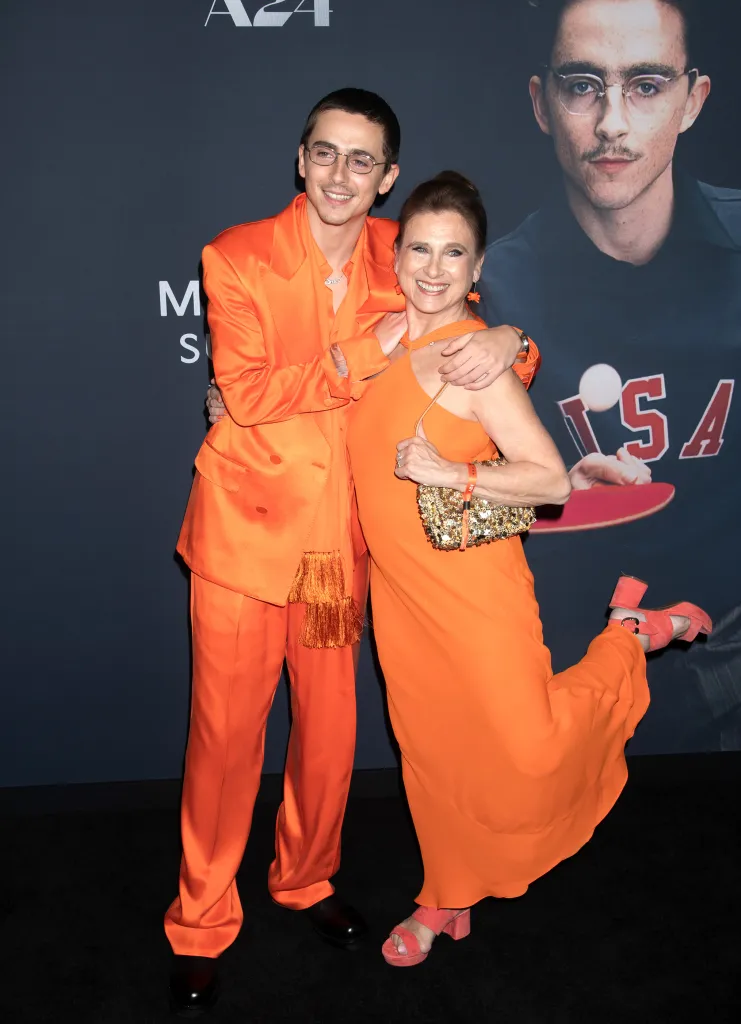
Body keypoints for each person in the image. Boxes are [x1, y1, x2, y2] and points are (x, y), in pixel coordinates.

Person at [168, 88, 536, 1014]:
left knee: (329, 738)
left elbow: (478, 347)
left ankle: (304, 879)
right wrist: (362, 353)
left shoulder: (399, 250)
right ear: (300, 159)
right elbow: (246, 395)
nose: (341, 175)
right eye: (325, 154)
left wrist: (504, 337)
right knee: (225, 742)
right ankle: (203, 919)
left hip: (339, 548)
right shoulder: (237, 255)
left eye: (361, 161)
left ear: (388, 177)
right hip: (244, 542)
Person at [344, 170, 711, 965]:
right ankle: (444, 899)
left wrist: (452, 473)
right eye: (419, 248)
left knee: (529, 748)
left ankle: (626, 638)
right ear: (395, 253)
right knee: (436, 759)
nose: (433, 267)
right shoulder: (373, 346)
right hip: (400, 595)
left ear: (477, 270)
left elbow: (546, 477)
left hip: (475, 588)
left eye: (454, 253)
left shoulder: (476, 362)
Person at [478, 0, 741, 752]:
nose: (612, 124)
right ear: (541, 102)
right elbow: (438, 514)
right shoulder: (488, 291)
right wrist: (545, 502)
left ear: (692, 100)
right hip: (562, 681)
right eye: (583, 85)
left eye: (646, 84)